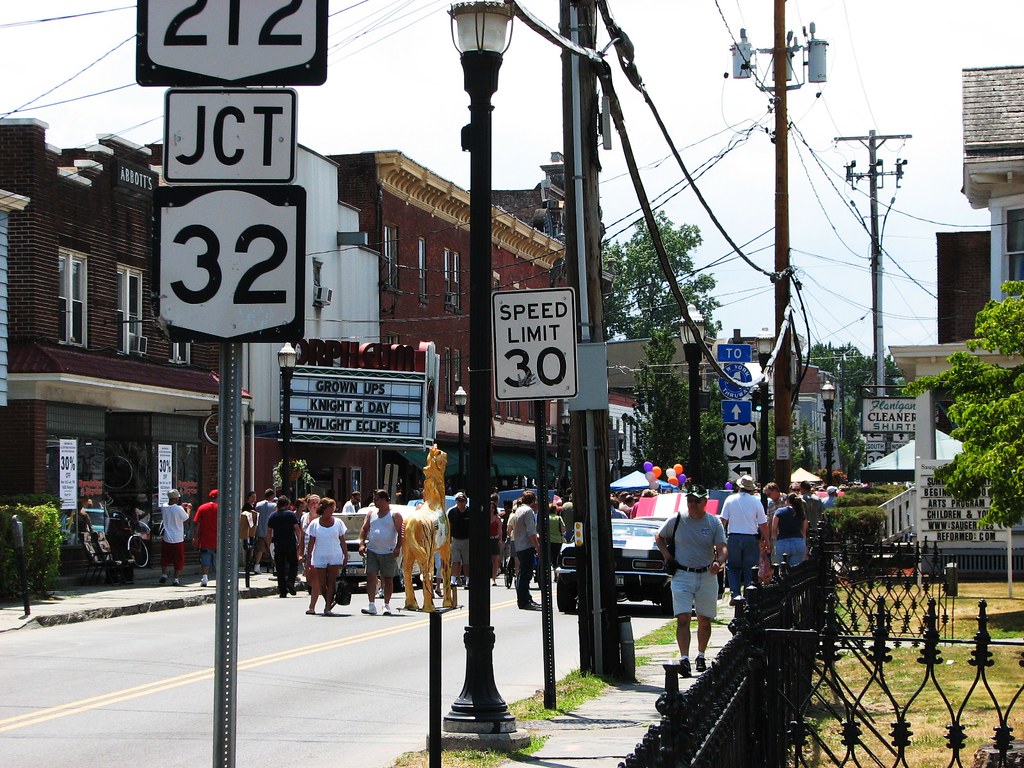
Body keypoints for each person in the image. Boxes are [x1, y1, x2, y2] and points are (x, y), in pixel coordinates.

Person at [655, 484, 727, 678]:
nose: (693, 504)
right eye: (690, 500)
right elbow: (659, 537)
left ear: (705, 502)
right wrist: (667, 557)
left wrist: (719, 561)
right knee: (683, 617)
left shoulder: (713, 522)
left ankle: (701, 655)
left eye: (697, 500)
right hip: (682, 574)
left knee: (704, 619)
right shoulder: (677, 519)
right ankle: (684, 658)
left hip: (706, 575)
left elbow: (722, 547)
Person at [719, 475, 769, 605]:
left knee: (733, 567)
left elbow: (723, 520)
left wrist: (718, 539)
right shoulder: (756, 502)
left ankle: (735, 594)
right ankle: (748, 596)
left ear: (739, 486)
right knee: (750, 568)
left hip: (734, 537)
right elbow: (763, 524)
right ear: (751, 488)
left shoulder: (730, 499)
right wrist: (767, 540)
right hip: (750, 538)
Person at [358, 489, 404, 616]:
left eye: (376, 499)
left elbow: (401, 533)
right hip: (372, 550)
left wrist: (398, 548)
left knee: (388, 579)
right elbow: (364, 529)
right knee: (371, 577)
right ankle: (371, 604)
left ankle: (386, 605)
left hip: (388, 551)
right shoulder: (371, 513)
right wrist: (361, 543)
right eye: (374, 499)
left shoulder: (395, 515)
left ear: (385, 500)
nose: (374, 501)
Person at [305, 497, 347, 615]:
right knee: (322, 584)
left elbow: (342, 540)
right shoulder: (315, 524)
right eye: (330, 508)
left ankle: (327, 607)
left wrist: (345, 555)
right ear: (324, 509)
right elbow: (311, 542)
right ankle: (329, 600)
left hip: (334, 555)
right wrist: (308, 558)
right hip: (320, 556)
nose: (332, 511)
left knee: (331, 582)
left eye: (333, 508)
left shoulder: (338, 523)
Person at [510, 490, 541, 610]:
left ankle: (527, 598)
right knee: (525, 575)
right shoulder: (528, 511)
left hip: (519, 545)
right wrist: (537, 547)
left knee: (523, 573)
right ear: (533, 501)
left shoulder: (519, 510)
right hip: (526, 546)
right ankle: (523, 601)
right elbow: (531, 532)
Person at [267, 495, 303, 597]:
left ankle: (282, 590)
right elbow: (297, 529)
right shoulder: (290, 514)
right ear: (287, 504)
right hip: (290, 543)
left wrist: (268, 544)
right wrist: (299, 541)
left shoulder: (273, 516)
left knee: (280, 568)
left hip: (278, 544)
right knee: (293, 564)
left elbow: (269, 532)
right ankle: (290, 581)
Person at [158, 489, 190, 586]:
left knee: (165, 557)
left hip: (167, 537)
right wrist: (188, 509)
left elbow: (171, 509)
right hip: (177, 538)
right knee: (178, 559)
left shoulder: (164, 506)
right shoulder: (178, 509)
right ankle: (175, 578)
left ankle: (164, 574)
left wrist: (181, 507)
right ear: (176, 498)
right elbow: (186, 518)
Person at [192, 490, 219, 587]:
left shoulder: (202, 508)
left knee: (205, 558)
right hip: (218, 539)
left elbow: (197, 524)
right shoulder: (222, 508)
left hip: (205, 538)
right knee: (219, 560)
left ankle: (205, 577)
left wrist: (195, 537)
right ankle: (220, 578)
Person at [773, 493, 808, 566]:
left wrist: (776, 540)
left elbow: (774, 528)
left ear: (787, 500)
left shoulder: (779, 511)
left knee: (783, 568)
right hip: (798, 542)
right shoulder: (801, 512)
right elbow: (804, 529)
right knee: (795, 570)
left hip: (782, 542)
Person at [447, 491, 471, 586]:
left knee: (466, 562)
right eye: (458, 501)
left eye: (462, 501)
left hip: (467, 540)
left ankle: (467, 579)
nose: (460, 503)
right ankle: (453, 580)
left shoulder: (470, 511)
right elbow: (449, 526)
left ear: (465, 502)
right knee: (455, 560)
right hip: (455, 539)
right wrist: (449, 540)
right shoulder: (452, 512)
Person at [253, 488, 277, 574]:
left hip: (260, 530)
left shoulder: (258, 505)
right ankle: (275, 567)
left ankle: (256, 566)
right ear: (272, 496)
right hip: (270, 531)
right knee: (272, 550)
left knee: (260, 549)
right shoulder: (274, 506)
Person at [546, 502, 566, 579]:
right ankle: (556, 574)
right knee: (556, 558)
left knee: (549, 557)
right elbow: (563, 529)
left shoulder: (547, 518)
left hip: (549, 540)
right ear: (555, 510)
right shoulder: (558, 518)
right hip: (558, 541)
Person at [240, 490, 257, 574]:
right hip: (247, 530)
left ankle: (250, 564)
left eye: (255, 497)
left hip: (252, 530)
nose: (254, 499)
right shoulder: (247, 506)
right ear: (249, 497)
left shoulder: (253, 506)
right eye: (252, 497)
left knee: (251, 547)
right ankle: (248, 565)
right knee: (248, 547)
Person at [489, 497, 503, 586]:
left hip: (494, 539)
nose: (491, 509)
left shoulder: (497, 518)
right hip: (487, 540)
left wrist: (500, 539)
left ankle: (494, 579)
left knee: (495, 560)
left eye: (493, 507)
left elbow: (500, 530)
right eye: (490, 507)